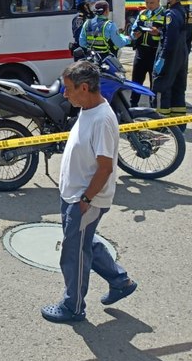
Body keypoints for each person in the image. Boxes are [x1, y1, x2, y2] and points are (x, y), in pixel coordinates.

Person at [40, 60, 136, 324]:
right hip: (74, 195)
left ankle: (73, 307)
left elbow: (105, 167)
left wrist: (85, 199)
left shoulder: (103, 120)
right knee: (84, 242)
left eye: (68, 88)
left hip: (85, 199)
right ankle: (121, 281)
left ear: (84, 87)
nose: (64, 93)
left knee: (74, 253)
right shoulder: (87, 109)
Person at [152, 0, 191, 123]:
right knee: (178, 89)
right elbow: (188, 37)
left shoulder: (171, 14)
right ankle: (178, 124)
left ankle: (161, 124)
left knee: (162, 88)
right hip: (181, 55)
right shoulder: (184, 11)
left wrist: (162, 58)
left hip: (170, 55)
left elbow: (170, 38)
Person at [128, 0, 165, 105]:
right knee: (136, 81)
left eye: (151, 3)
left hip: (155, 52)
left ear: (159, 1)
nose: (148, 5)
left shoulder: (165, 14)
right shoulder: (142, 14)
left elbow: (169, 33)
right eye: (147, 2)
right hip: (141, 52)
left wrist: (158, 32)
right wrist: (134, 34)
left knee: (154, 82)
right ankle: (132, 105)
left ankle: (153, 107)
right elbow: (132, 30)